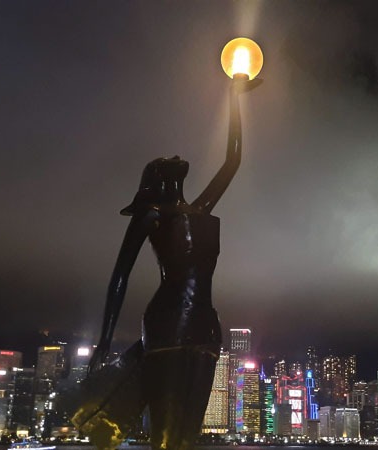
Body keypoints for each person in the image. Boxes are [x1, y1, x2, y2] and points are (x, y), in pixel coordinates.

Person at [74, 75, 261, 450]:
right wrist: (104, 342)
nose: (173, 157)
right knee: (167, 434)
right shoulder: (152, 215)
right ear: (156, 179)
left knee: (186, 435)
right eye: (162, 162)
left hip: (205, 326)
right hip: (168, 323)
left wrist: (234, 96)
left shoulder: (199, 209)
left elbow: (233, 159)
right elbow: (120, 276)